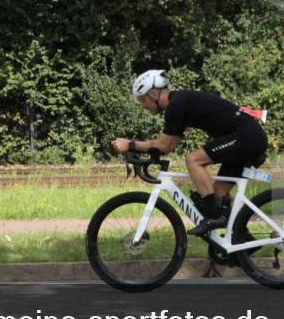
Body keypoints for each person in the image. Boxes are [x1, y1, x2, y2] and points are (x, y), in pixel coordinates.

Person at [111, 69, 268, 236]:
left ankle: (213, 217)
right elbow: (168, 145)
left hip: (246, 136)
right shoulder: (179, 103)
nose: (143, 106)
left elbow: (163, 145)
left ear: (155, 93)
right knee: (219, 194)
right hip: (246, 136)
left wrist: (131, 144)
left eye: (143, 100)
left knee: (193, 160)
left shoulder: (176, 104)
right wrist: (140, 149)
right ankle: (241, 243)